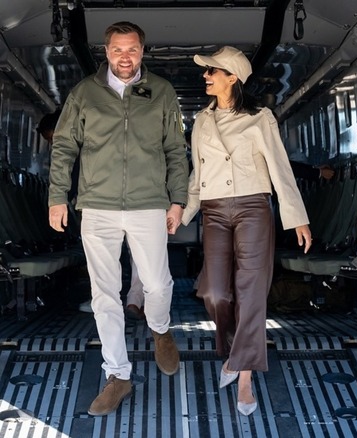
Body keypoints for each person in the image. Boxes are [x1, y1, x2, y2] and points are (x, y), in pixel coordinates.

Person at [48, 21, 189, 416]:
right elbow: (63, 147)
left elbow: (176, 150)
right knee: (104, 295)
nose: (124, 57)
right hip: (97, 205)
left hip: (148, 203)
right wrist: (57, 196)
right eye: (116, 50)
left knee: (158, 285)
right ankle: (118, 376)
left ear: (143, 51)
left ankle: (160, 330)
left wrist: (177, 200)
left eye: (132, 50)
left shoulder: (161, 91)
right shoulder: (84, 94)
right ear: (105, 51)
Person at [176, 46, 311, 416]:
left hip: (253, 206)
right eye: (206, 72)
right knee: (216, 291)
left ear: (232, 77)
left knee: (251, 290)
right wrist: (183, 213)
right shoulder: (202, 120)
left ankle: (246, 374)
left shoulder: (260, 117)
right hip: (214, 209)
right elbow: (197, 173)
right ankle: (236, 353)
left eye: (212, 72)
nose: (205, 77)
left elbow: (280, 166)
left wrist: (296, 215)